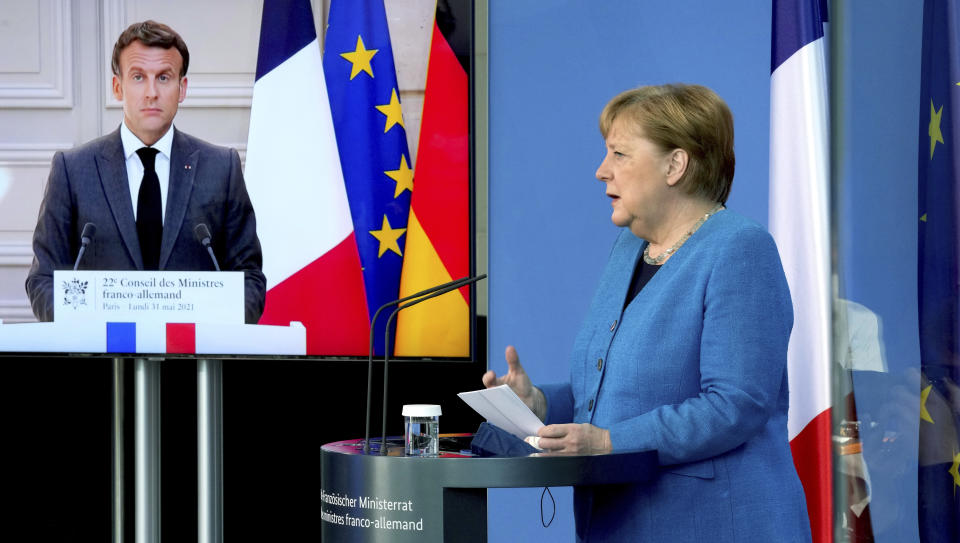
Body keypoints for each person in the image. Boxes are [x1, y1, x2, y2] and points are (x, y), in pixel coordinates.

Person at [483, 84, 812, 541]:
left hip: (711, 525)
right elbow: (614, 392)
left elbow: (736, 405)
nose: (601, 171)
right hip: (619, 522)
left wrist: (607, 443)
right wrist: (539, 405)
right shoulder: (629, 248)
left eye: (619, 154)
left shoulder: (739, 249)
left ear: (675, 165)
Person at [25, 20, 265, 324]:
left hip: (194, 364)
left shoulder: (222, 168)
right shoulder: (73, 170)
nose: (151, 92)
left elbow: (250, 281)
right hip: (105, 361)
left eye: (164, 77)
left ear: (182, 88)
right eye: (138, 77)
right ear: (117, 87)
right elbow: (43, 280)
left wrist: (214, 331)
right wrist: (82, 330)